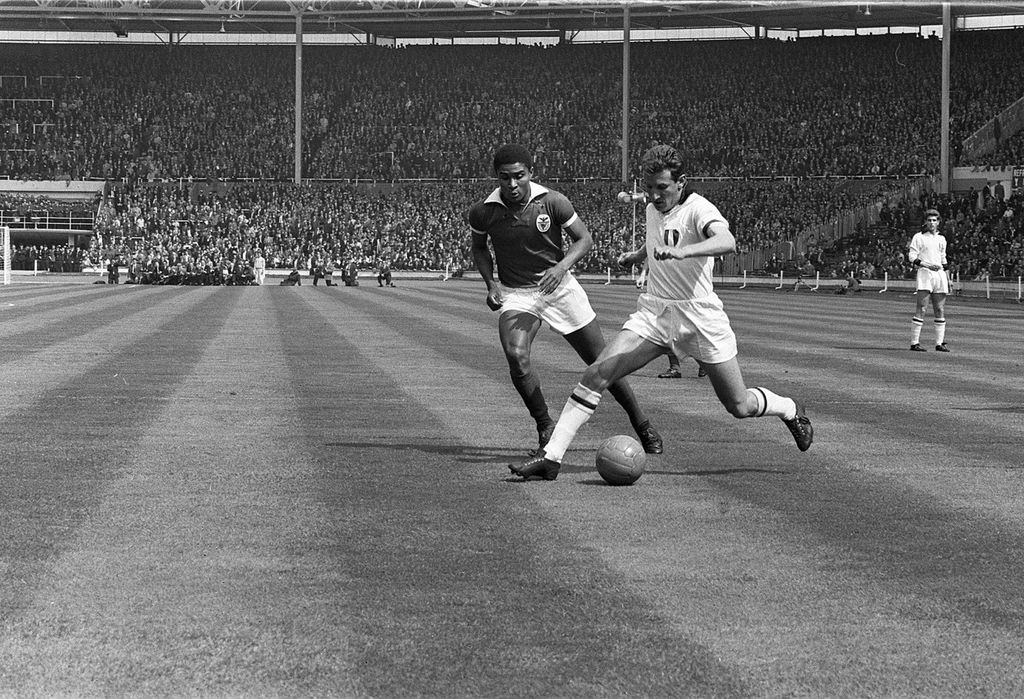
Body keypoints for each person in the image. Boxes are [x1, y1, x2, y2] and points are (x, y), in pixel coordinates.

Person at [511, 144, 812, 481]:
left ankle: (789, 408)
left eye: (662, 188)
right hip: (654, 312)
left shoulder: (700, 209)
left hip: (699, 317)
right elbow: (659, 235)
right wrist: (638, 256)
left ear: (681, 183)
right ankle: (551, 457)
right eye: (649, 187)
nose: (654, 195)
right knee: (597, 372)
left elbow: (727, 241)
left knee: (739, 406)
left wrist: (684, 252)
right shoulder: (656, 207)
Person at [469, 143, 662, 458]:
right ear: (497, 177)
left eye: (519, 176)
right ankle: (545, 425)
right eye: (505, 178)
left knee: (602, 362)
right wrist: (491, 283)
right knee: (516, 356)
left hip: (560, 289)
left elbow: (584, 239)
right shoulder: (483, 211)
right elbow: (479, 247)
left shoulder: (553, 202)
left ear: (531, 173)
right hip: (518, 294)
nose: (512, 184)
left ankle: (641, 424)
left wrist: (560, 268)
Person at [908, 208, 950, 352]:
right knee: (922, 308)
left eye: (934, 220)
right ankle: (914, 343)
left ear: (938, 222)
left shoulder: (941, 239)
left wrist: (948, 278)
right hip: (925, 274)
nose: (932, 223)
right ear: (925, 222)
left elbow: (944, 259)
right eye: (929, 220)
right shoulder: (919, 237)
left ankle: (939, 343)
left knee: (939, 309)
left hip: (939, 275)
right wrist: (926, 265)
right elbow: (912, 257)